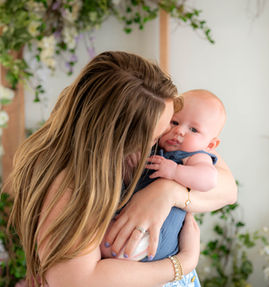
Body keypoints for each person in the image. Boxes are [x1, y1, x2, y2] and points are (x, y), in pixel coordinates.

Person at [8, 51, 237, 287]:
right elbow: (76, 281)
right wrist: (182, 263)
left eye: (171, 121)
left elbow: (228, 188)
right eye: (156, 135)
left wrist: (167, 192)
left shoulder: (160, 131)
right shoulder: (72, 183)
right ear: (121, 138)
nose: (170, 135)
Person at [100, 90, 227, 285]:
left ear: (211, 144)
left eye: (193, 130)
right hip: (139, 228)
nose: (180, 131)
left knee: (118, 245)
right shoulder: (157, 148)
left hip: (160, 238)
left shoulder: (195, 156)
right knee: (112, 240)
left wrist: (175, 173)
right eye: (175, 122)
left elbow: (208, 180)